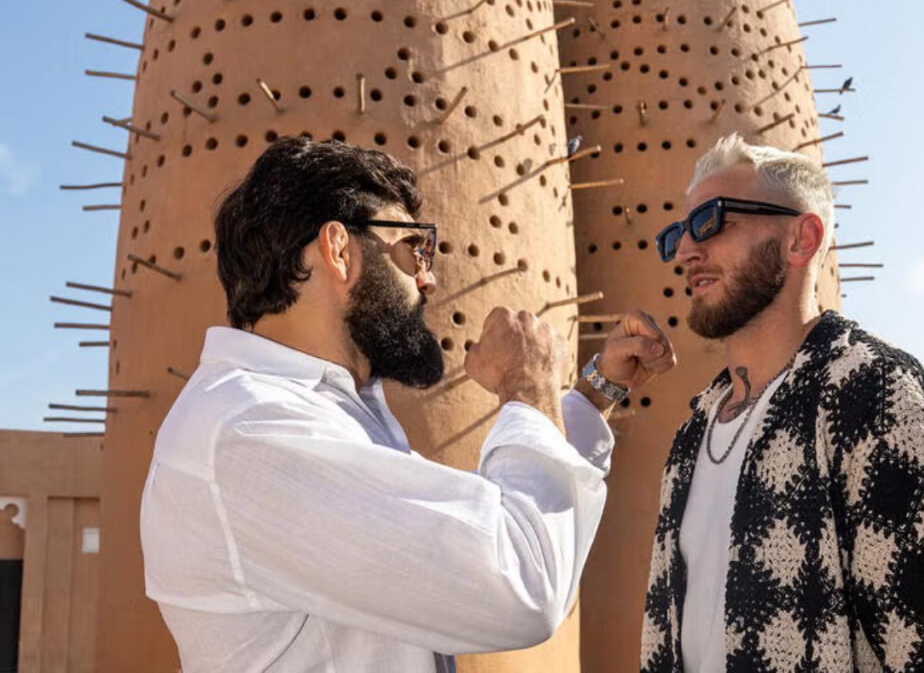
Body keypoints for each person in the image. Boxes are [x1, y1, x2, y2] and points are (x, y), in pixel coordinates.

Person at [139, 136, 675, 672]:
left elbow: (479, 528)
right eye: (415, 248)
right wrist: (526, 385)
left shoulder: (311, 415)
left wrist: (590, 397)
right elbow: (519, 582)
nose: (429, 276)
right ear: (339, 249)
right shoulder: (248, 428)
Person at [641, 134, 924, 672]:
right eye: (678, 233)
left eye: (712, 220)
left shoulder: (870, 393)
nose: (685, 250)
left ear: (802, 239)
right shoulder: (694, 432)